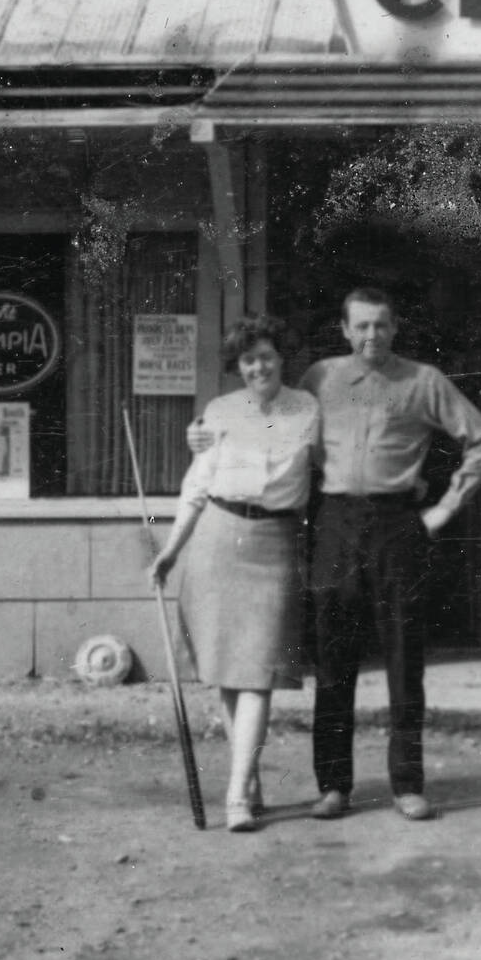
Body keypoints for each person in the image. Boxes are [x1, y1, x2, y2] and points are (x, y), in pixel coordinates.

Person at [200, 286, 481, 823]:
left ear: (395, 326)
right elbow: (277, 427)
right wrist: (205, 437)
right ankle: (334, 785)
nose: (371, 336)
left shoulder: (423, 382)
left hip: (397, 525)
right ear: (343, 330)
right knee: (334, 660)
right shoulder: (320, 378)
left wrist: (444, 509)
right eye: (360, 326)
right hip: (335, 521)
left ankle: (407, 784)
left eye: (380, 325)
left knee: (405, 659)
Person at [150, 315, 319, 833]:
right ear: (237, 366)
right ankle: (247, 784)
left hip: (274, 542)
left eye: (266, 356)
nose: (258, 367)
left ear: (281, 359)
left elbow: (302, 470)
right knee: (229, 670)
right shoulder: (218, 412)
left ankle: (235, 795)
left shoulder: (306, 408)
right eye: (248, 360)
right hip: (217, 540)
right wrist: (170, 551)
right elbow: (197, 485)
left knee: (258, 672)